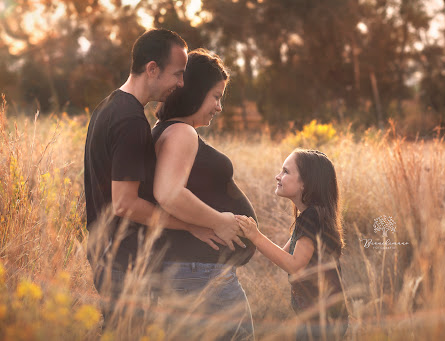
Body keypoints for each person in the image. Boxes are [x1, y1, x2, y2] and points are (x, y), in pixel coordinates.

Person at [84, 29, 241, 326]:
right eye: (177, 74)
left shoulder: (109, 107)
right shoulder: (130, 121)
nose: (181, 84)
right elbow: (125, 204)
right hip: (123, 262)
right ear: (152, 69)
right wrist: (193, 225)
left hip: (107, 255)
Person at [151, 48, 256, 340]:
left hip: (193, 270)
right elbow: (169, 194)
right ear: (195, 92)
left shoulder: (166, 130)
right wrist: (219, 221)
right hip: (200, 272)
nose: (219, 107)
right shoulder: (182, 133)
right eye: (216, 96)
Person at [236, 149, 349, 340]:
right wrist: (249, 237)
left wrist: (256, 236)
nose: (277, 176)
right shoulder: (309, 216)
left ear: (305, 184)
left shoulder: (312, 217)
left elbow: (294, 265)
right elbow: (283, 256)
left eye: (286, 172)